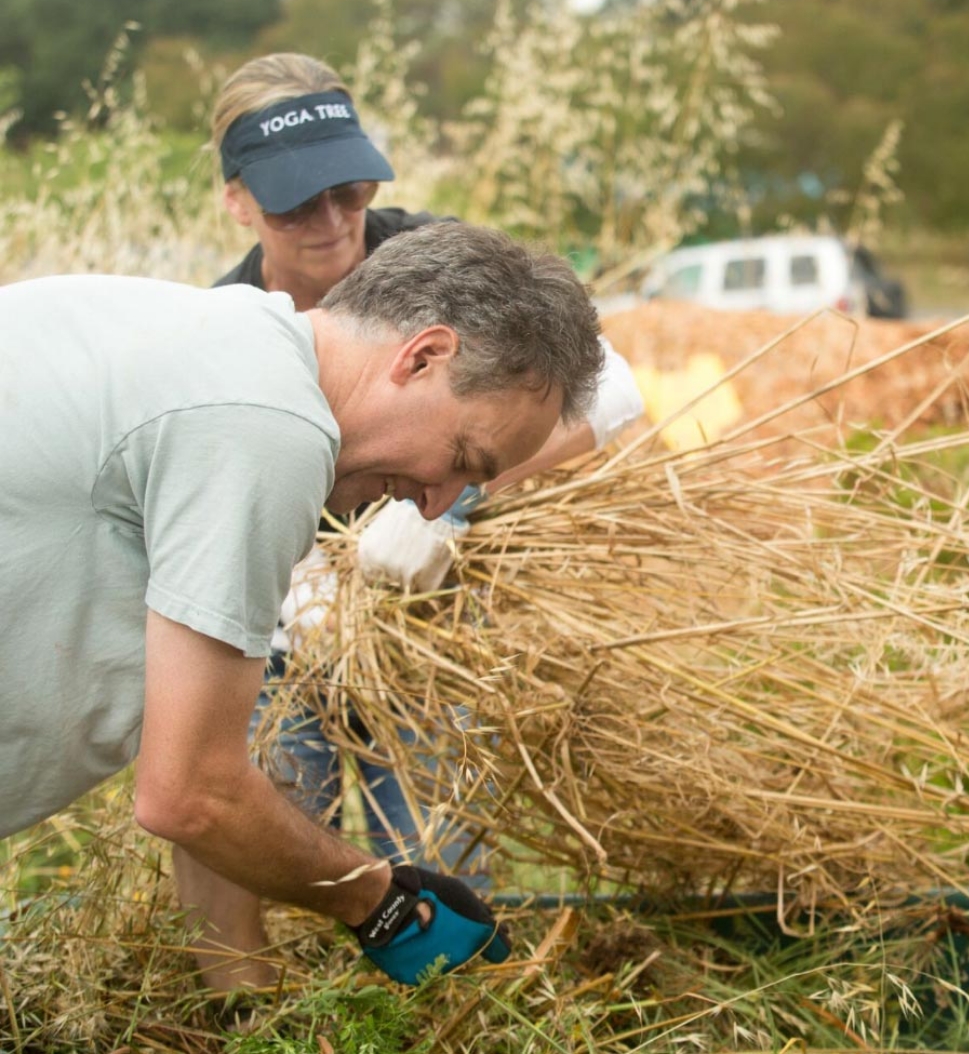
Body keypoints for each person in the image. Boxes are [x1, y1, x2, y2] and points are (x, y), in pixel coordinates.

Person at [0, 220, 605, 991]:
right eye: (461, 460)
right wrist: (383, 900)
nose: (435, 505)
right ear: (423, 356)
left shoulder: (217, 335)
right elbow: (191, 794)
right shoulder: (271, 427)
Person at [172, 52, 645, 989]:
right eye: (295, 204)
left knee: (434, 837)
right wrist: (310, 578)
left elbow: (611, 390)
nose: (333, 222)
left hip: (427, 630)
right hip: (285, 626)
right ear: (235, 202)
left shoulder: (437, 265)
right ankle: (247, 1015)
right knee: (262, 815)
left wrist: (453, 495)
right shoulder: (227, 325)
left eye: (349, 190)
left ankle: (444, 1002)